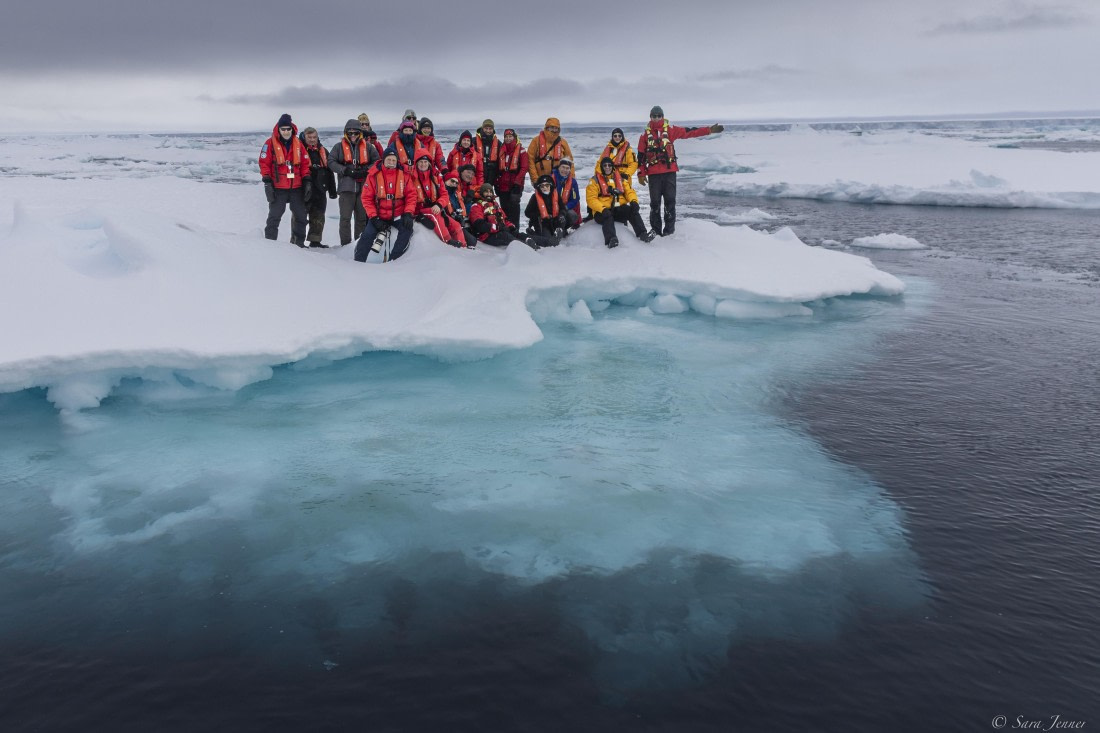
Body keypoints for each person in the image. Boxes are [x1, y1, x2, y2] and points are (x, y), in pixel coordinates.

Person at [637, 105, 723, 236]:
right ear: (650, 117)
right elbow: (641, 156)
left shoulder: (671, 130)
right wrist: (641, 174)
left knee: (670, 201)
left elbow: (689, 132)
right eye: (654, 116)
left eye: (659, 116)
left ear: (662, 117)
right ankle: (655, 230)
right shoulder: (644, 136)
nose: (656, 118)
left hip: (669, 172)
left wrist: (709, 130)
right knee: (655, 204)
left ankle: (669, 231)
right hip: (654, 174)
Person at [354, 148, 417, 262]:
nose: (391, 163)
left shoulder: (405, 175)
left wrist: (408, 213)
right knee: (367, 235)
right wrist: (374, 217)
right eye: (389, 160)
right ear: (383, 160)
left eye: (394, 160)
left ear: (397, 161)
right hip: (379, 215)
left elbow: (411, 196)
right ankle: (358, 262)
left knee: (407, 230)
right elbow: (366, 198)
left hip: (398, 215)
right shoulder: (373, 175)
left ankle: (394, 260)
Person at [259, 113, 311, 245]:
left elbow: (305, 163)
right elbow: (264, 163)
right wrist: (267, 181)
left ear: (292, 129)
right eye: (283, 129)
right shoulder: (269, 144)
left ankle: (298, 244)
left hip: (296, 188)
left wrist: (307, 179)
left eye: (288, 129)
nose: (286, 132)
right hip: (278, 188)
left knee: (301, 217)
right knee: (274, 217)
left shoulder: (298, 143)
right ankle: (270, 245)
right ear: (279, 129)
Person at [586, 156, 656, 248]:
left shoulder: (620, 178)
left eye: (609, 165)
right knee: (608, 217)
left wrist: (634, 201)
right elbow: (591, 199)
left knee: (632, 210)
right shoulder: (594, 181)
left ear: (612, 166)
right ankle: (611, 239)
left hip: (617, 209)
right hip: (601, 211)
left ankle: (643, 234)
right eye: (605, 165)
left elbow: (629, 191)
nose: (607, 167)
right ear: (601, 167)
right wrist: (602, 209)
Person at [329, 118, 379, 246]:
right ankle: (345, 245)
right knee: (345, 219)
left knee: (361, 219)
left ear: (360, 133)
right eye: (350, 133)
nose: (353, 136)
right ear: (346, 133)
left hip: (363, 188)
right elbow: (331, 162)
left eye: (355, 133)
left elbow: (377, 162)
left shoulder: (368, 147)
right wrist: (345, 171)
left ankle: (358, 243)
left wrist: (366, 171)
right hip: (346, 188)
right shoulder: (338, 147)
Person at [411, 149, 471, 248]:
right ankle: (447, 241)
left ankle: (463, 247)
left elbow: (444, 195)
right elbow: (410, 198)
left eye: (425, 162)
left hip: (435, 207)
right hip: (419, 210)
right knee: (436, 215)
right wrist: (415, 214)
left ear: (429, 163)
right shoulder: (411, 178)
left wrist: (439, 204)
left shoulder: (436, 178)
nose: (423, 164)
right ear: (416, 163)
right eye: (420, 162)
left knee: (456, 225)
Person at [469, 184, 555, 249]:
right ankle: (528, 246)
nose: (488, 193)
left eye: (490, 191)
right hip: (487, 235)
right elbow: (479, 224)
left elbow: (505, 219)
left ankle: (547, 242)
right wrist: (497, 227)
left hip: (500, 230)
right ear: (482, 193)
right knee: (508, 237)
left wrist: (510, 226)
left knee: (518, 234)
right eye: (486, 191)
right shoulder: (476, 206)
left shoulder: (495, 204)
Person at [295, 127, 338, 247]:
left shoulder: (323, 150)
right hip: (302, 189)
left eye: (314, 137)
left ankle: (315, 240)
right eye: (310, 138)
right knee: (299, 216)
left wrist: (332, 191)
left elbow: (329, 171)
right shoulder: (297, 150)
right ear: (304, 137)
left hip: (320, 189)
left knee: (319, 216)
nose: (312, 140)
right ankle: (297, 242)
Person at [495, 128, 528, 226]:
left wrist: (517, 184)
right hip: (503, 186)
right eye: (506, 137)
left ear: (514, 137)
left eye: (510, 136)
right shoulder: (501, 150)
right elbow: (497, 168)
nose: (508, 138)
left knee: (514, 210)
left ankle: (516, 230)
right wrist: (496, 184)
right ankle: (507, 230)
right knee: (504, 210)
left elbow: (524, 167)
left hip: (515, 186)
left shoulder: (521, 151)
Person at [527, 117, 573, 182]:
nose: (554, 130)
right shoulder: (536, 141)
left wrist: (572, 179)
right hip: (541, 180)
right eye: (552, 127)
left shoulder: (563, 142)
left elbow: (570, 161)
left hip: (559, 180)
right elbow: (530, 160)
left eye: (556, 128)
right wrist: (535, 179)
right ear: (547, 127)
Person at [525, 174, 569, 240]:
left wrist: (561, 214)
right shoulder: (534, 197)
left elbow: (563, 208)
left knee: (572, 215)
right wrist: (540, 214)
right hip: (543, 223)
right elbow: (527, 213)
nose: (545, 188)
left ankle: (561, 230)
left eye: (547, 185)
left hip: (555, 220)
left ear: (550, 186)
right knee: (547, 240)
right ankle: (533, 233)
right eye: (542, 186)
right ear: (539, 187)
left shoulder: (556, 195)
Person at [552, 158, 581, 230]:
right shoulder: (551, 178)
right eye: (563, 167)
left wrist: (565, 207)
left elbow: (575, 199)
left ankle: (563, 229)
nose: (564, 170)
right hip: (551, 207)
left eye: (567, 168)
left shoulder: (573, 182)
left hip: (564, 207)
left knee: (573, 215)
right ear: (559, 167)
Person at [476, 118, 501, 189]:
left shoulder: (498, 143)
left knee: (488, 196)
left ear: (493, 130)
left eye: (490, 128)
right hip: (477, 174)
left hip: (491, 176)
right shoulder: (474, 141)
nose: (488, 131)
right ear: (482, 128)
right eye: (486, 128)